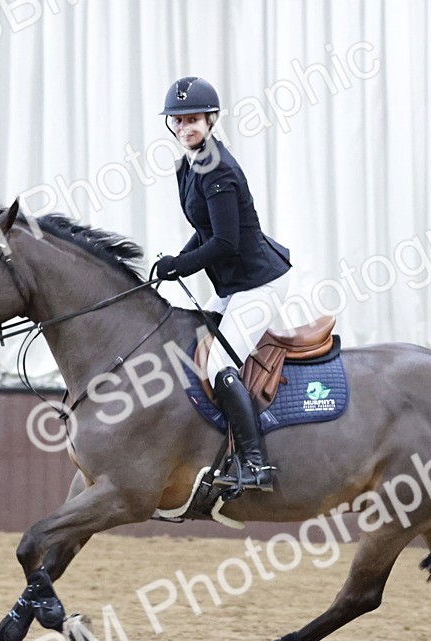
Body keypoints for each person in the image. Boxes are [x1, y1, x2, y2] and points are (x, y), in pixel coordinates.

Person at [153, 77, 292, 492]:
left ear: (211, 120)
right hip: (234, 286)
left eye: (193, 120)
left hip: (257, 285)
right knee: (192, 342)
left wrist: (182, 264)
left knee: (218, 364)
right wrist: (176, 261)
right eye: (177, 121)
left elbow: (225, 241)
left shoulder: (218, 170)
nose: (184, 128)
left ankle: (256, 464)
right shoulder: (190, 165)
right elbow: (205, 229)